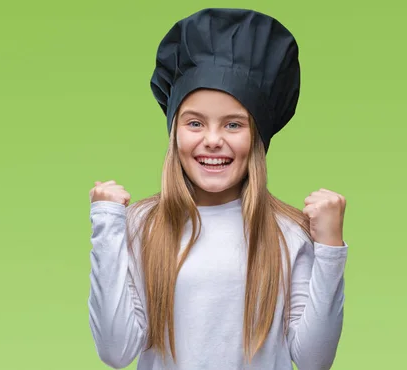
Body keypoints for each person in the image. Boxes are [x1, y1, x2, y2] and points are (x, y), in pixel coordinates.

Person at [87, 8, 348, 370]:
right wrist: (106, 225)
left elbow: (314, 360)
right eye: (195, 122)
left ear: (256, 137)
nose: (212, 140)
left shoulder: (288, 234)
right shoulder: (140, 226)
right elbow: (116, 352)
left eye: (233, 125)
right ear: (175, 131)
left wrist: (330, 248)